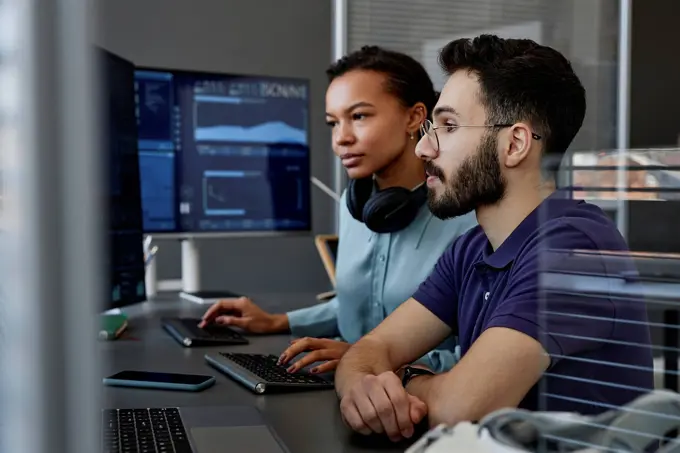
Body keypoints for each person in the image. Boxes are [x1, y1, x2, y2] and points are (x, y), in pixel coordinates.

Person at [334, 34, 654, 443]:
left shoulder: (575, 248)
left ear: (515, 144)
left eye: (448, 126)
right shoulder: (471, 249)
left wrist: (402, 379)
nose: (424, 148)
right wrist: (362, 384)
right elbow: (370, 347)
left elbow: (461, 408)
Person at [200, 46, 477, 374]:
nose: (341, 139)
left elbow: (480, 362)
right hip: (340, 386)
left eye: (359, 116)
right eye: (333, 122)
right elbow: (355, 307)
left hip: (415, 403)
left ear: (415, 117)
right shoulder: (356, 207)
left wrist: (368, 360)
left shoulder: (466, 219)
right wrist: (278, 321)